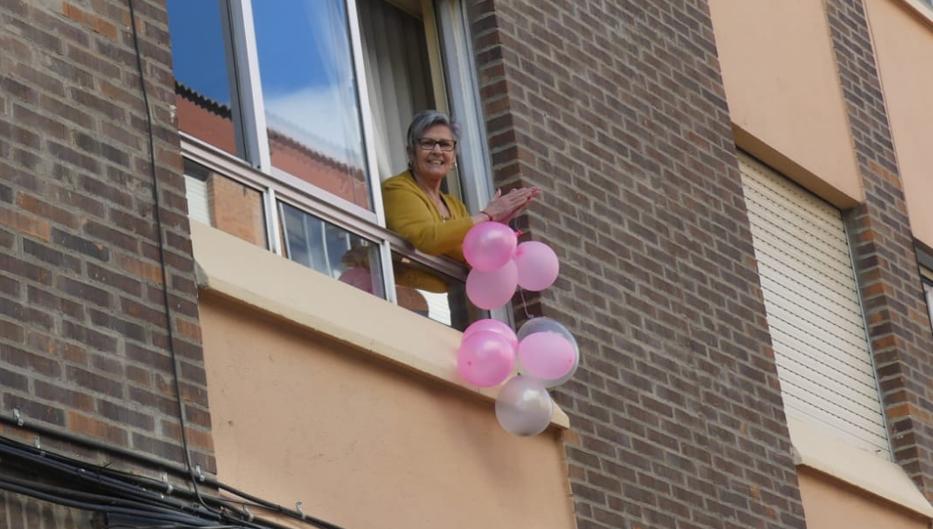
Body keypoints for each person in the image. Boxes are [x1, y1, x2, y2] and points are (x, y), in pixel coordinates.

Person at [382, 110, 539, 263]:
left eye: (445, 145)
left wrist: (498, 225)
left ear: (453, 157)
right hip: (400, 288)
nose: (437, 151)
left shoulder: (455, 206)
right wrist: (486, 215)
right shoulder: (396, 189)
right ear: (411, 153)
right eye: (428, 143)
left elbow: (476, 257)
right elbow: (427, 239)